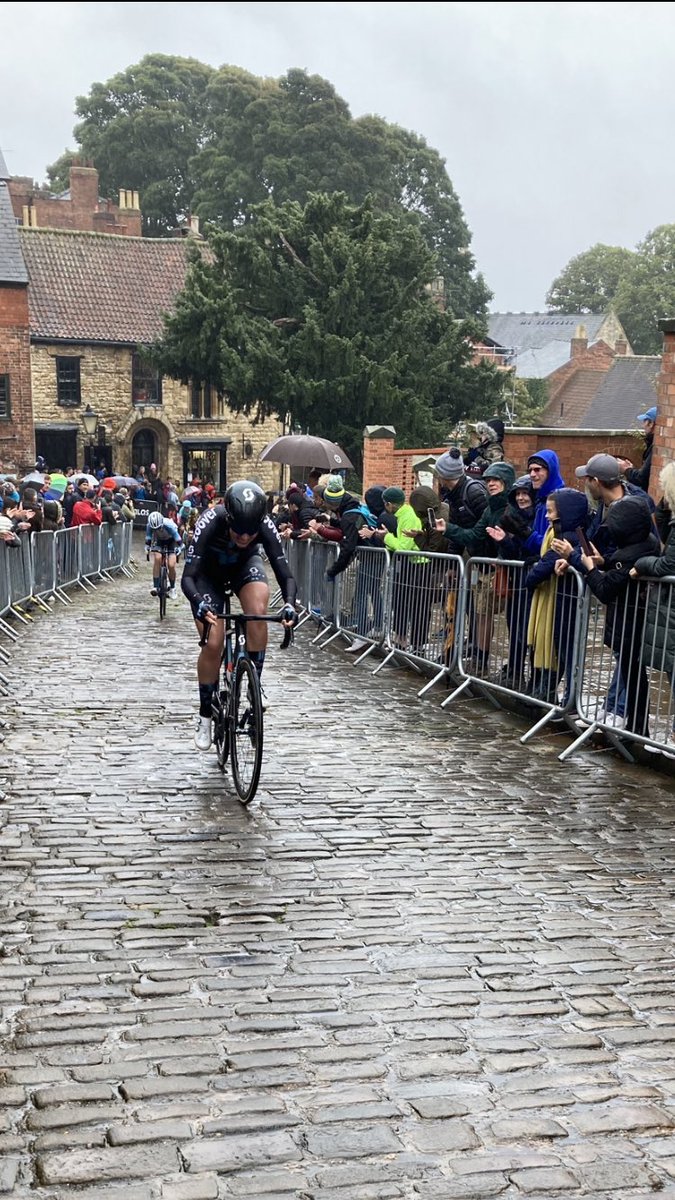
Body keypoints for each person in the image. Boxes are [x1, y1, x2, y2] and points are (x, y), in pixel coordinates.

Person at [181, 480, 298, 751]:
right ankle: (205, 716)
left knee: (258, 611)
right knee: (214, 641)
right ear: (228, 518)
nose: (244, 538)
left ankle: (253, 682)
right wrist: (199, 603)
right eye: (238, 532)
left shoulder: (265, 525)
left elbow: (285, 575)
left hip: (243, 568)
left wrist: (291, 604)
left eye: (250, 533)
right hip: (207, 575)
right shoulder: (211, 519)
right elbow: (188, 578)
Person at [618, 406, 657, 492]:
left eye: (644, 421)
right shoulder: (654, 444)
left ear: (651, 424)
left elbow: (641, 478)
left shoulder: (656, 448)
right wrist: (631, 469)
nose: (643, 425)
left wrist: (626, 470)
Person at [145, 510, 182, 600]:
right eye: (155, 529)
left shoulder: (168, 525)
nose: (156, 530)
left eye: (158, 528)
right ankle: (156, 586)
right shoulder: (149, 525)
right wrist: (147, 547)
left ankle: (172, 588)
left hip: (171, 541)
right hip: (159, 541)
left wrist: (180, 548)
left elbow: (178, 540)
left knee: (171, 565)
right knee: (157, 558)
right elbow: (148, 537)